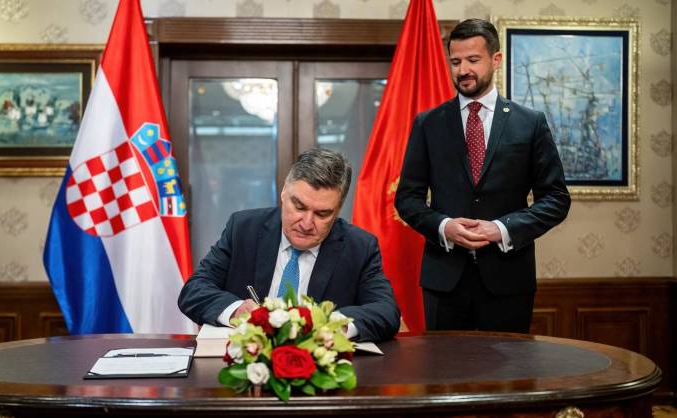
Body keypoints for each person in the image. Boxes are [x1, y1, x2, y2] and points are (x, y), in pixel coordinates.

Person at [394, 18, 570, 333]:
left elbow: (556, 199)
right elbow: (407, 198)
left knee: (507, 366)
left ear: (496, 59)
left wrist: (501, 229)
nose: (463, 70)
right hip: (444, 281)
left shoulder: (530, 123)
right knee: (445, 366)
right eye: (456, 62)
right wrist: (444, 227)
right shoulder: (428, 124)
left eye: (473, 60)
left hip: (508, 279)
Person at [179, 148, 400, 342]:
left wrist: (333, 324)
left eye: (322, 214)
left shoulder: (359, 247)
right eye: (299, 207)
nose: (306, 223)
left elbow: (386, 311)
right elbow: (194, 290)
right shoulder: (244, 229)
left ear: (338, 209)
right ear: (284, 191)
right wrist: (237, 310)